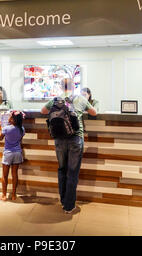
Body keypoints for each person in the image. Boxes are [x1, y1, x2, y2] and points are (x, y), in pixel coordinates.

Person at [41, 78, 97, 213]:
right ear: (74, 86)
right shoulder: (80, 98)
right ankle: (69, 205)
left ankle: (63, 201)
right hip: (75, 138)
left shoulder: (55, 100)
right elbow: (94, 112)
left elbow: (43, 111)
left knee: (62, 169)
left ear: (61, 86)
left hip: (59, 139)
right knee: (72, 172)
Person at [0, 110, 25, 201]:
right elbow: (20, 140)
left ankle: (4, 196)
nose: (9, 118)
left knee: (5, 175)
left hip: (8, 153)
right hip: (17, 153)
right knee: (14, 174)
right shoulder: (22, 129)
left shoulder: (7, 128)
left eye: (10, 117)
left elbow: (0, 138)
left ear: (13, 119)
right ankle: (13, 195)